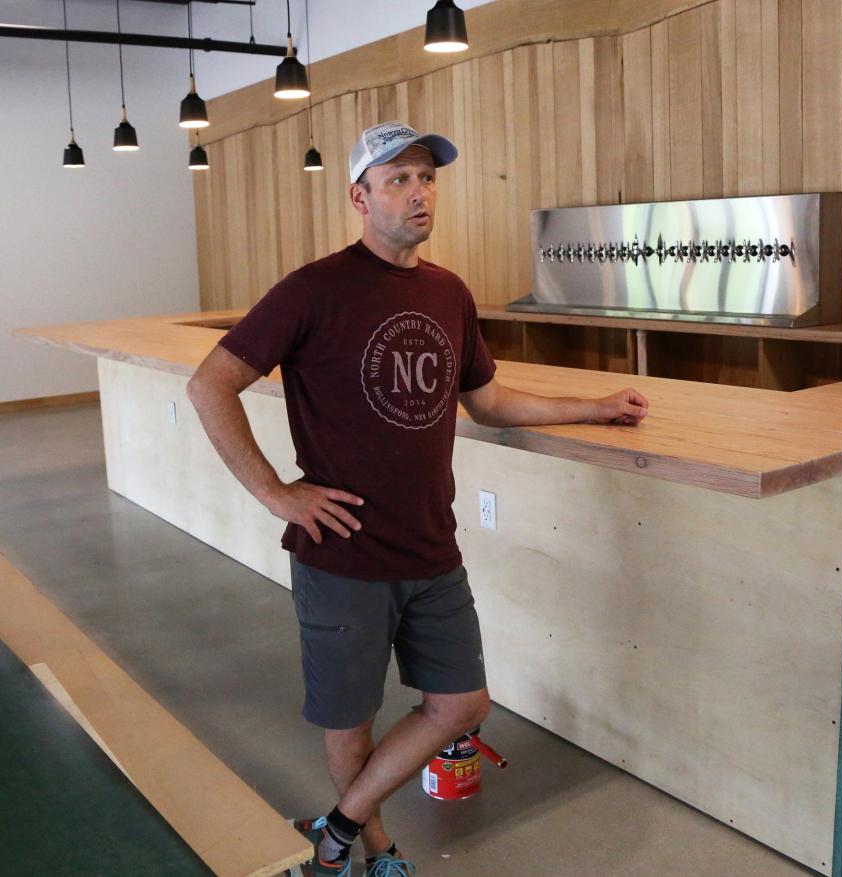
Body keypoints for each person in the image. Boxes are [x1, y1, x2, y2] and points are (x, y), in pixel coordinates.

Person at [186, 121, 649, 876]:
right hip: (342, 554)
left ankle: (333, 829)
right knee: (350, 721)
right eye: (397, 178)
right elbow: (211, 383)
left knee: (461, 705)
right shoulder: (314, 288)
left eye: (427, 177)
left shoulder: (447, 291)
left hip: (433, 547)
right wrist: (275, 492)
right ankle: (373, 852)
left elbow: (488, 399)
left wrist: (593, 406)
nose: (418, 192)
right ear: (359, 197)